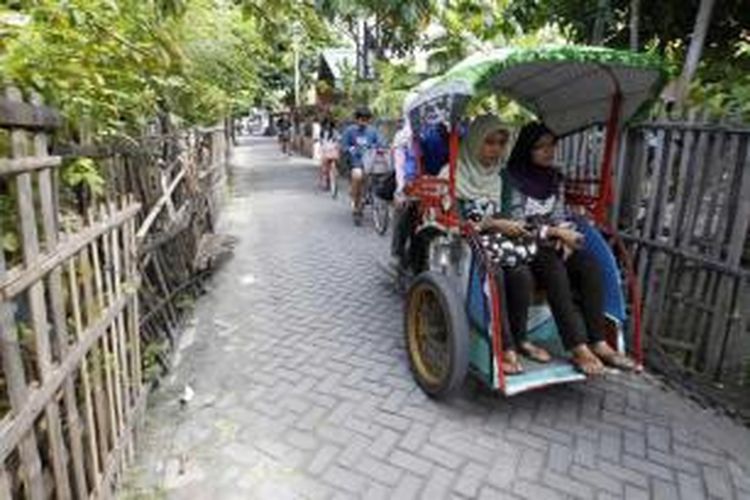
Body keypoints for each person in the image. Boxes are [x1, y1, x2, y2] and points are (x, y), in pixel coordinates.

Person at [504, 122, 636, 375]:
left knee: (588, 264)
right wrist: (555, 234)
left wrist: (564, 236)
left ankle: (598, 341)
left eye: (551, 145)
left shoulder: (554, 178)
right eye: (540, 147)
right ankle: (577, 346)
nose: (548, 151)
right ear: (526, 149)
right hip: (524, 246)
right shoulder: (511, 178)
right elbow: (517, 224)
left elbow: (560, 214)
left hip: (552, 241)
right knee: (554, 267)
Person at [457, 115, 551, 375]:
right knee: (493, 273)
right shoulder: (452, 174)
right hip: (464, 244)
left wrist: (507, 225)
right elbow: (454, 221)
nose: (495, 149)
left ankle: (521, 339)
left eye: (500, 143)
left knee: (521, 273)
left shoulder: (502, 178)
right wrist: (493, 225)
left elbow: (510, 215)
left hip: (499, 244)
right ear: (475, 142)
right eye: (489, 142)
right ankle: (504, 346)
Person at [340, 107, 381, 222]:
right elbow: (343, 146)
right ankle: (355, 201)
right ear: (356, 119)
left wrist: (377, 147)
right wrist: (350, 149)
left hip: (370, 163)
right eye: (361, 119)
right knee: (357, 176)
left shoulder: (373, 131)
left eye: (366, 119)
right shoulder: (349, 131)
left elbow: (381, 143)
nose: (364, 122)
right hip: (356, 162)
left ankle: (365, 198)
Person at [319, 116, 340, 189]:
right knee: (324, 166)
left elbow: (338, 138)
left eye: (329, 124)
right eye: (326, 124)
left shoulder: (334, 131)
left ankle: (333, 176)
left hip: (333, 150)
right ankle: (325, 181)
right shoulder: (322, 132)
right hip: (325, 150)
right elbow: (321, 141)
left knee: (334, 163)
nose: (327, 125)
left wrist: (338, 142)